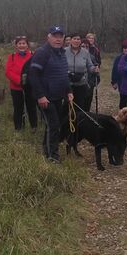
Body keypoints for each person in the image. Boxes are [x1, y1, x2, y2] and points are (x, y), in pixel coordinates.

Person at [29, 26, 73, 163]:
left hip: (58, 96)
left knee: (52, 125)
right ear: (48, 37)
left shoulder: (62, 53)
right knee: (53, 125)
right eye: (55, 36)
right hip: (45, 97)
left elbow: (63, 75)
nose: (58, 39)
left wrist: (69, 91)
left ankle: (47, 149)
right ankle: (52, 156)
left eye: (60, 36)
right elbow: (33, 75)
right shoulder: (42, 53)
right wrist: (40, 96)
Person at [5, 35, 37, 131]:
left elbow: (36, 69)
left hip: (30, 87)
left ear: (27, 45)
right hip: (16, 87)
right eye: (19, 43)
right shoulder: (12, 57)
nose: (22, 45)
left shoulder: (33, 55)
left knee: (31, 107)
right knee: (18, 108)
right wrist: (20, 81)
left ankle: (34, 126)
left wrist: (29, 80)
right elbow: (8, 71)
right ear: (16, 45)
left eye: (24, 43)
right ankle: (18, 127)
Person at [65, 33, 99, 111]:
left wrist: (94, 69)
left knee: (80, 107)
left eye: (78, 39)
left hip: (81, 83)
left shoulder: (85, 52)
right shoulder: (64, 51)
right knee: (67, 107)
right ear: (70, 40)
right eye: (74, 39)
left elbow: (90, 66)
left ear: (80, 41)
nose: (76, 41)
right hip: (68, 84)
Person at [117, 39, 127, 108]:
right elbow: (120, 69)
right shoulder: (122, 58)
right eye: (125, 48)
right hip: (124, 86)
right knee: (122, 105)